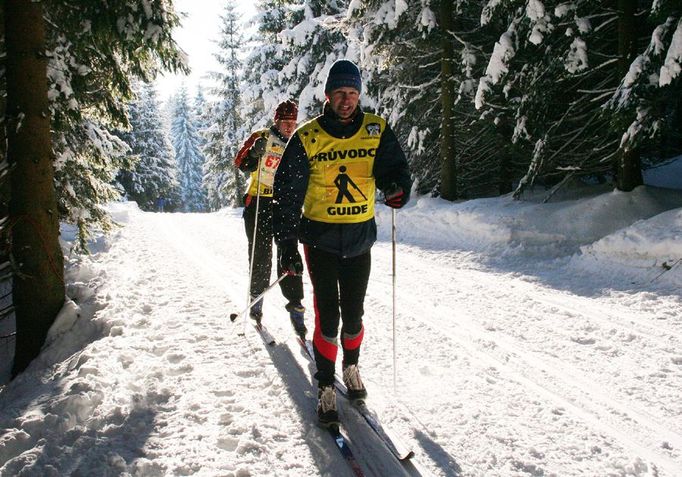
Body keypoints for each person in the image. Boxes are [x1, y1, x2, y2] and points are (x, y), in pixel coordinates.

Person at [272, 60, 412, 426]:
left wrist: (397, 188)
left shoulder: (376, 130)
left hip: (359, 238)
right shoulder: (308, 136)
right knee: (328, 317)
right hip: (320, 241)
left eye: (352, 93)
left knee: (354, 314)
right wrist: (287, 244)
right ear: (328, 95)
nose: (346, 101)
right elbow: (287, 194)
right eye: (340, 93)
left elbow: (393, 169)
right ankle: (324, 386)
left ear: (359, 94)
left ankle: (350, 369)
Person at [234, 100, 307, 337]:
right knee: (260, 256)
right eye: (285, 122)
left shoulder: (298, 141)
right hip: (259, 203)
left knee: (288, 256)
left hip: (284, 205)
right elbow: (240, 163)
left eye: (292, 122)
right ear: (276, 121)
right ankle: (257, 304)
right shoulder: (262, 136)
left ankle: (296, 308)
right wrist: (255, 151)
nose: (289, 127)